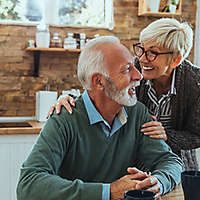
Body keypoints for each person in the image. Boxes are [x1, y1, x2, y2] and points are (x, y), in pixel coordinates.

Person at [17, 36, 183, 200]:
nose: (138, 75)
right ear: (98, 82)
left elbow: (170, 161)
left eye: (134, 66)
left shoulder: (137, 113)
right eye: (126, 69)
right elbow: (29, 184)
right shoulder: (64, 118)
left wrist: (159, 182)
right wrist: (108, 191)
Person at [49, 18, 200, 171]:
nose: (142, 59)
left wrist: (167, 135)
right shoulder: (134, 68)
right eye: (141, 49)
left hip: (176, 168)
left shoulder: (196, 83)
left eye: (153, 53)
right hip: (132, 166)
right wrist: (72, 100)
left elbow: (197, 135)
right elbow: (103, 89)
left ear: (176, 60)